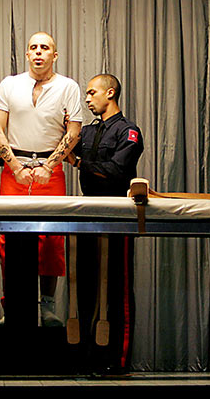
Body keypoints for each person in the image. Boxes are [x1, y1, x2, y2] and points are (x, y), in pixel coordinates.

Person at [0, 31, 83, 326]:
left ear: (55, 55)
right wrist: (15, 166)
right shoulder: (9, 84)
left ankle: (47, 306)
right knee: (7, 238)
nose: (39, 51)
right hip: (14, 167)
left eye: (45, 47)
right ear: (27, 54)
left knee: (52, 238)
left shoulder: (68, 86)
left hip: (50, 169)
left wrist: (49, 165)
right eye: (34, 47)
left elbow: (74, 132)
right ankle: (12, 304)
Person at [67, 74, 143, 375]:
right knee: (86, 286)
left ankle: (119, 360)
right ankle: (90, 357)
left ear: (110, 93)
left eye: (91, 93)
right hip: (89, 215)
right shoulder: (86, 132)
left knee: (117, 288)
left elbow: (116, 171)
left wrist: (79, 163)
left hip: (118, 216)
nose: (87, 99)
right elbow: (62, 144)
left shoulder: (128, 131)